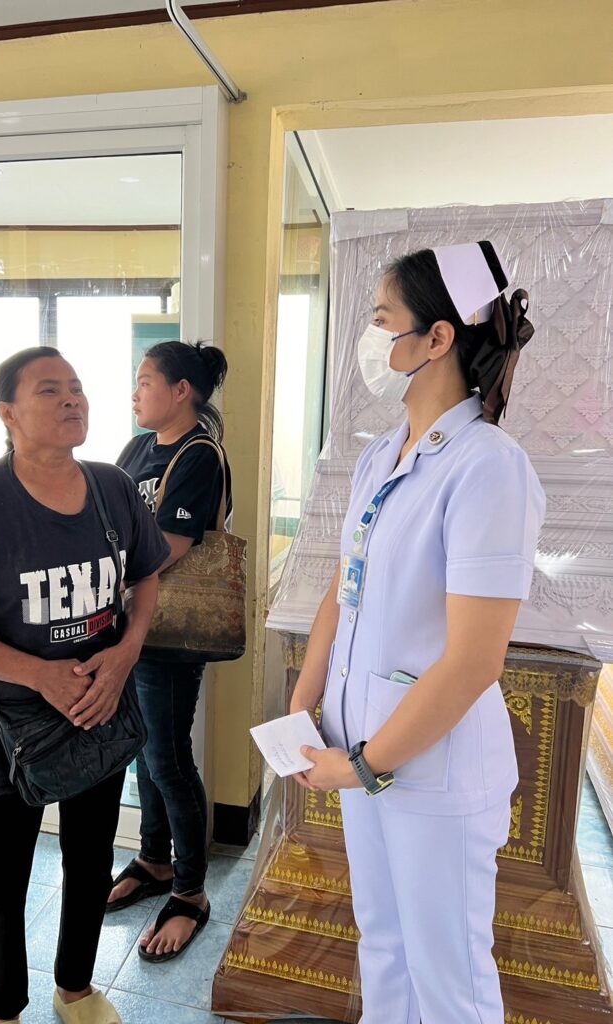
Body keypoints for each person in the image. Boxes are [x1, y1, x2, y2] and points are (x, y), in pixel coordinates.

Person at [290, 242, 546, 1024]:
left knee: (448, 981)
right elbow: (345, 588)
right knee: (386, 947)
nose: (371, 340)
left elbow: (472, 662)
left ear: (437, 338)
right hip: (361, 755)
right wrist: (303, 703)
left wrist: (363, 765)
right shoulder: (382, 455)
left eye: (382, 320)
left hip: (430, 774)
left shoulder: (488, 467)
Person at [0, 346, 170, 1024]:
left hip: (96, 711)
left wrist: (125, 654)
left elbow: (146, 576)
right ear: (9, 413)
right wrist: (38, 674)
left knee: (90, 859)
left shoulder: (112, 487)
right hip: (4, 727)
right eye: (50, 390)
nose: (72, 399)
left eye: (77, 387)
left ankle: (75, 988)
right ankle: (2, 1011)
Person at [107, 340, 232, 962]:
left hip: (173, 636)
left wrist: (107, 563)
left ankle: (190, 891)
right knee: (143, 752)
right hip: (131, 626)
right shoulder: (137, 450)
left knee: (168, 758)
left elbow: (169, 545)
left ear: (182, 391)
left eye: (146, 381)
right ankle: (154, 859)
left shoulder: (199, 454)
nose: (135, 393)